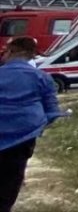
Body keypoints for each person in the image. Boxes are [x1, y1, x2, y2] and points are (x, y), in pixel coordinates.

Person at [1, 37, 65, 212]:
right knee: (9, 184)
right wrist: (40, 125)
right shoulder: (42, 77)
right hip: (22, 140)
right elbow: (51, 111)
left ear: (9, 52)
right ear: (31, 56)